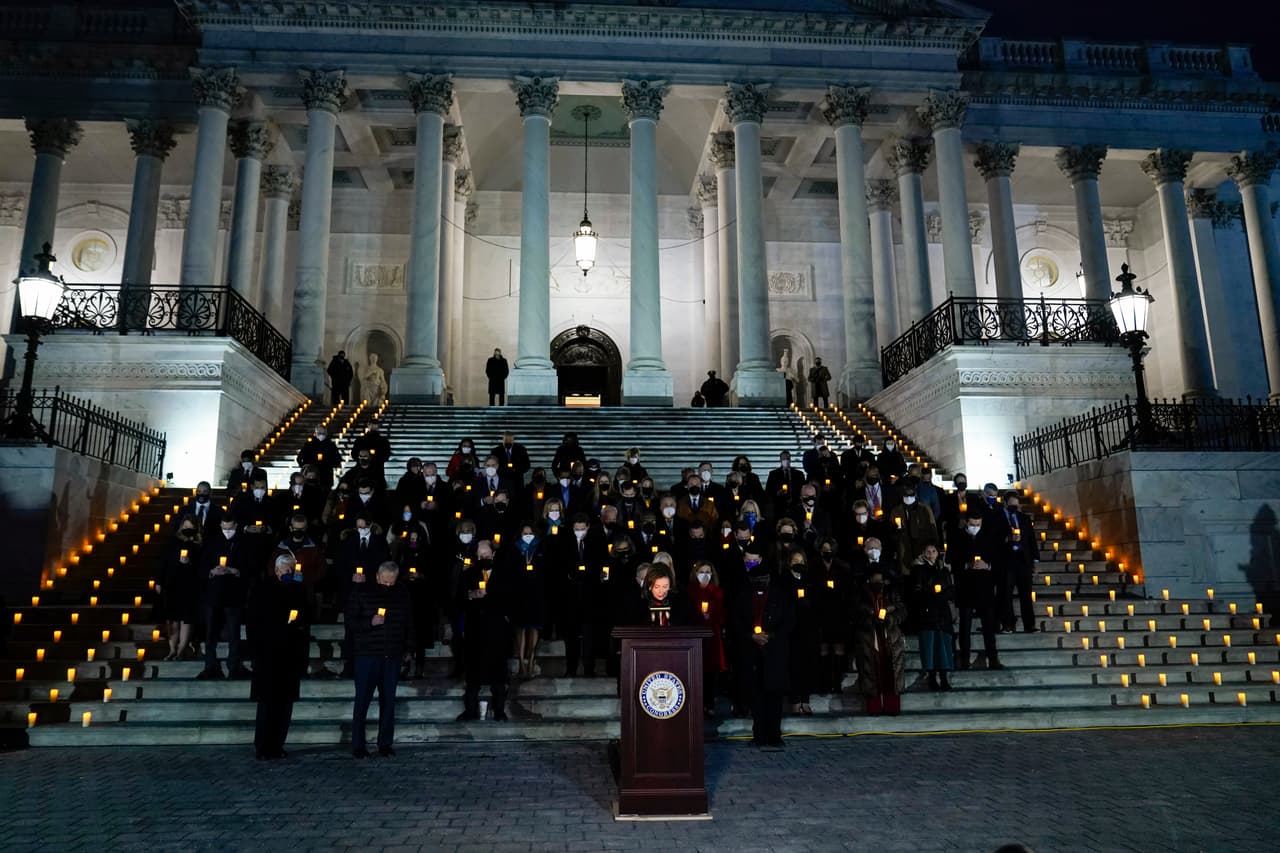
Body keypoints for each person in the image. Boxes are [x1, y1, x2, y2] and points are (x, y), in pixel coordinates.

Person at [728, 541, 794, 750]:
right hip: (751, 653)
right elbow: (735, 622)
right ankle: (759, 734)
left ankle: (774, 735)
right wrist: (751, 636)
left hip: (774, 652)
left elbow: (789, 621)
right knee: (756, 696)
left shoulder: (779, 597)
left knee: (774, 696)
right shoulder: (742, 596)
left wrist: (771, 635)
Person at [348, 561, 414, 757]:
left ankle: (385, 743)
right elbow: (351, 622)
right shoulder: (362, 592)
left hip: (391, 655)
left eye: (392, 582)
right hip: (367, 655)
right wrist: (370, 622)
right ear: (377, 576)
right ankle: (358, 745)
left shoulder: (401, 593)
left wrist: (409, 648)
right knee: (362, 701)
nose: (388, 586)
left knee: (389, 702)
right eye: (385, 582)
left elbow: (409, 622)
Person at [247, 555, 310, 760]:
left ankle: (278, 744)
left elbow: (305, 618)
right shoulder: (262, 590)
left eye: (292, 570)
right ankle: (263, 745)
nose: (289, 573)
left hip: (290, 654)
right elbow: (254, 623)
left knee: (285, 704)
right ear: (276, 570)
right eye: (286, 570)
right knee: (267, 703)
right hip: (268, 654)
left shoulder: (299, 590)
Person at [457, 540, 513, 721]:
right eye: (481, 556)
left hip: (497, 628)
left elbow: (512, 598)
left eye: (487, 555)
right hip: (476, 629)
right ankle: (470, 710)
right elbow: (458, 598)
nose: (484, 558)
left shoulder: (504, 574)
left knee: (498, 672)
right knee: (473, 672)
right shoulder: (468, 574)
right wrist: (471, 595)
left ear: (493, 555)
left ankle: (499, 710)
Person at [950, 507, 1003, 671]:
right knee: (965, 626)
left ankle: (992, 658)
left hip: (984, 586)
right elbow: (950, 559)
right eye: (972, 524)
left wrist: (987, 565)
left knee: (988, 625)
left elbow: (997, 558)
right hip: (965, 586)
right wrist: (966, 564)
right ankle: (964, 658)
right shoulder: (957, 536)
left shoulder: (987, 537)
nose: (975, 527)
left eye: (978, 524)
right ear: (967, 523)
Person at [198, 518, 252, 680]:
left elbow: (249, 566)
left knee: (234, 632)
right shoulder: (212, 543)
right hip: (213, 594)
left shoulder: (242, 544)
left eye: (230, 528)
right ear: (220, 526)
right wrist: (212, 571)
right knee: (210, 632)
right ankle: (211, 666)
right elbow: (202, 566)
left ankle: (234, 665)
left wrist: (234, 570)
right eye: (224, 528)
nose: (227, 531)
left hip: (234, 594)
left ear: (236, 526)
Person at [852, 569, 906, 715]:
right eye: (875, 581)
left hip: (890, 637)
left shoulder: (891, 593)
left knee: (891, 670)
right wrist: (870, 620)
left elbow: (902, 611)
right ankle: (874, 706)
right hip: (869, 637)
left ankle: (891, 706)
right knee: (871, 671)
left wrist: (890, 619)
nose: (878, 584)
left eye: (880, 581)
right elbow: (856, 613)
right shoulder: (861, 595)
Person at [910, 544, 955, 691]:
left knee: (943, 646)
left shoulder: (943, 570)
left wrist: (941, 595)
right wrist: (931, 596)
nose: (931, 554)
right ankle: (931, 677)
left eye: (933, 551)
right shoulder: (918, 569)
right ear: (923, 553)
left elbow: (950, 589)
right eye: (928, 551)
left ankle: (943, 677)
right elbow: (917, 590)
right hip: (927, 613)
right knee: (929, 647)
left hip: (942, 613)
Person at [158, 517, 203, 660]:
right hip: (172, 583)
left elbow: (202, 565)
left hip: (189, 584)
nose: (187, 530)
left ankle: (181, 649)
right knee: (172, 619)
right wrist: (158, 581)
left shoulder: (199, 544)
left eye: (190, 527)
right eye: (185, 527)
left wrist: (189, 562)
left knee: (186, 619)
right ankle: (171, 649)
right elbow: (163, 562)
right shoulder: (172, 542)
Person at [996, 490, 1038, 633]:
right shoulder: (997, 517)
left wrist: (1034, 560)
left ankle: (1029, 624)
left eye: (1016, 504)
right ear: (1005, 503)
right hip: (1006, 560)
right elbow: (992, 538)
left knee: (1026, 594)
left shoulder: (1024, 518)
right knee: (1005, 594)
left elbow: (1031, 539)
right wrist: (1007, 539)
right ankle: (1008, 624)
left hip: (1022, 560)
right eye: (1011, 504)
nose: (1014, 507)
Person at [687, 561, 726, 716]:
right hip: (695, 634)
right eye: (701, 571)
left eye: (708, 571)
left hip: (712, 635)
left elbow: (722, 614)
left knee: (711, 671)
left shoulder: (716, 591)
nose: (705, 575)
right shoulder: (690, 591)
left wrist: (713, 617)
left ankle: (709, 704)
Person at [296, 425, 342, 492]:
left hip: (326, 476)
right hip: (311, 476)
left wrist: (330, 464)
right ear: (315, 433)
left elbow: (337, 459)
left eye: (323, 433)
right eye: (319, 433)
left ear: (326, 433)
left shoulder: (330, 445)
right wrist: (305, 467)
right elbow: (300, 458)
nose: (321, 435)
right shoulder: (309, 445)